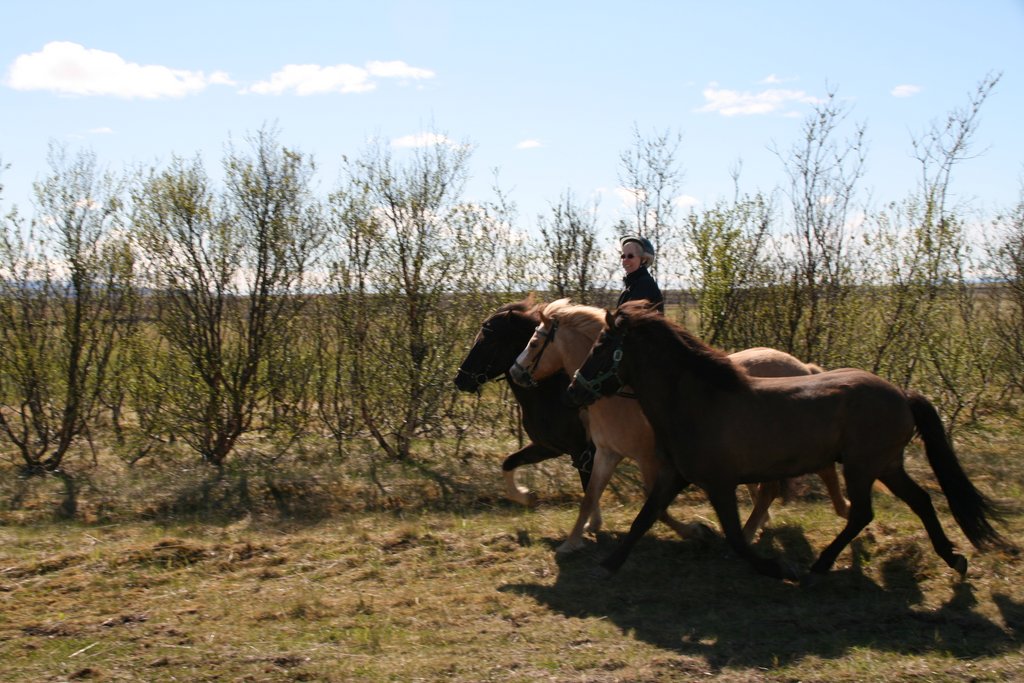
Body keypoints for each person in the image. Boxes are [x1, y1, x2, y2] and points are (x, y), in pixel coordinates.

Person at [616, 235, 664, 312]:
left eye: (630, 256)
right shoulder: (630, 285)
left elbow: (630, 316)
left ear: (643, 260)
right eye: (623, 256)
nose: (625, 260)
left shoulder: (645, 285)